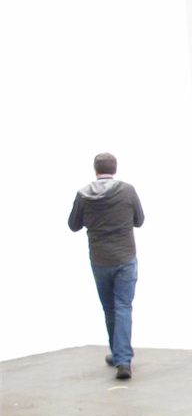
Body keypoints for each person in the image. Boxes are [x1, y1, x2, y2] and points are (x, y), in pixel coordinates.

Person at [68, 152, 144, 380]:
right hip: (125, 257)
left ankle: (118, 354)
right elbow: (139, 220)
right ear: (115, 169)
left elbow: (73, 225)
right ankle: (123, 359)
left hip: (100, 259)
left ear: (95, 170)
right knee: (123, 306)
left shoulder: (83, 195)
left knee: (110, 308)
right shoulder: (128, 190)